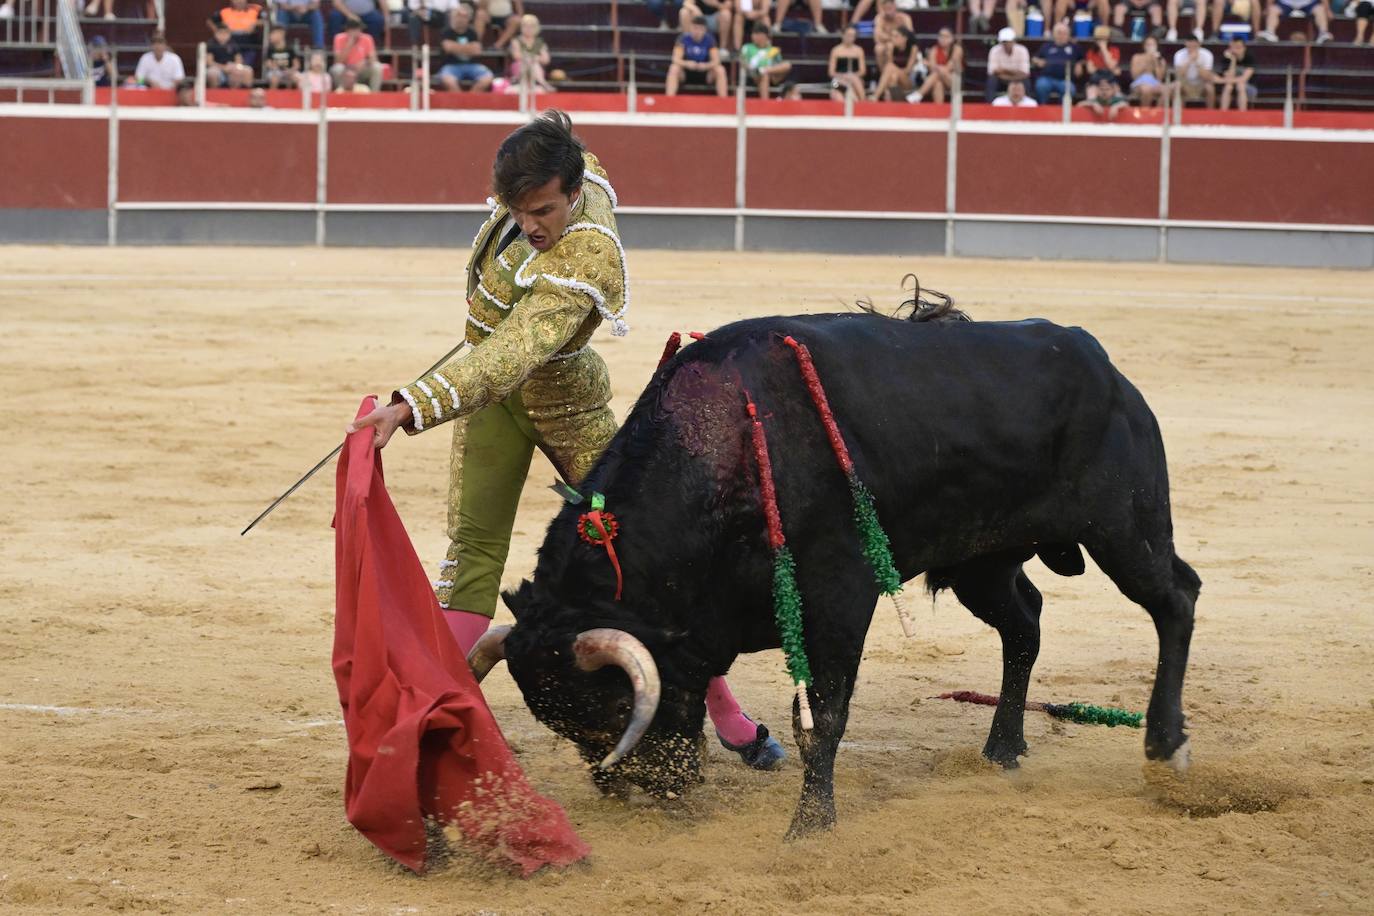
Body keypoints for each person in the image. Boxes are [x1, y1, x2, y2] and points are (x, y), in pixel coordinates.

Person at [346, 111, 787, 771]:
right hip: (493, 404)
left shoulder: (588, 251)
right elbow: (499, 347)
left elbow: (516, 353)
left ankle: (726, 715)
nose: (530, 224)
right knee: (472, 554)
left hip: (565, 402)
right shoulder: (564, 178)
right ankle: (431, 725)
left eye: (543, 210)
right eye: (518, 209)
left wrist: (414, 403)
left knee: (645, 562)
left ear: (574, 192)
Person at [665, 15, 729, 96]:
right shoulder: (683, 39)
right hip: (686, 72)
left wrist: (706, 66)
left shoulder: (710, 40)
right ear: (690, 28)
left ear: (705, 30)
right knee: (674, 68)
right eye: (695, 28)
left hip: (705, 72)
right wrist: (686, 63)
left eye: (700, 29)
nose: (697, 31)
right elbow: (675, 59)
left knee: (720, 70)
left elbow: (716, 61)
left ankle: (723, 101)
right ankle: (670, 99)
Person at [437, 4, 494, 91]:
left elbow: (477, 50)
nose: (461, 19)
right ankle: (459, 102)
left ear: (468, 19)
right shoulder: (446, 32)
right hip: (451, 65)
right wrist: (468, 48)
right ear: (452, 17)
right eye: (458, 16)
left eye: (464, 16)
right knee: (449, 81)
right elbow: (448, 48)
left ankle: (471, 101)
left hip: (472, 65)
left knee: (487, 78)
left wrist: (455, 47)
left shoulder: (472, 32)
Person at [739, 22, 796, 98]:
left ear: (764, 36)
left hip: (772, 76)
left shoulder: (773, 50)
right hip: (753, 75)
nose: (753, 36)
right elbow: (743, 61)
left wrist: (767, 70)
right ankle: (765, 102)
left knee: (787, 65)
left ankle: (763, 70)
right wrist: (750, 68)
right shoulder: (747, 47)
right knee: (764, 75)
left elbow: (779, 65)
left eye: (756, 34)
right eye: (753, 34)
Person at [908, 27, 962, 104]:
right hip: (938, 78)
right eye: (941, 36)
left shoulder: (957, 49)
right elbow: (932, 70)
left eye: (946, 36)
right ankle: (938, 110)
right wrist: (932, 65)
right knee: (937, 83)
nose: (943, 39)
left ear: (952, 38)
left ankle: (919, 94)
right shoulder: (934, 49)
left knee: (938, 73)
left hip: (954, 80)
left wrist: (930, 64)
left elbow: (947, 68)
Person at [331, 18, 384, 92]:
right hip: (346, 70)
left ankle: (374, 95)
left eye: (358, 30)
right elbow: (338, 61)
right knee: (337, 69)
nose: (357, 32)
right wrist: (349, 44)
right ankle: (342, 93)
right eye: (353, 30)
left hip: (361, 70)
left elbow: (374, 59)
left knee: (377, 67)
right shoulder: (339, 38)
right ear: (347, 30)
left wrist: (365, 62)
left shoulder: (367, 38)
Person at [1031, 21, 1077, 105]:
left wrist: (1079, 64)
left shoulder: (1073, 47)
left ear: (1068, 35)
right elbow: (1034, 58)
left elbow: (1082, 59)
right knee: (1041, 86)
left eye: (1064, 33)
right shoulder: (1046, 46)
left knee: (1070, 89)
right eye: (1059, 33)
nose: (1062, 36)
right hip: (1047, 78)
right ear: (1054, 34)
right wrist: (1038, 62)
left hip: (1065, 79)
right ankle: (1043, 109)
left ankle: (1062, 112)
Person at [508, 13, 553, 92]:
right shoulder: (516, 41)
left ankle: (540, 82)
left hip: (535, 70)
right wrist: (531, 58)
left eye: (531, 26)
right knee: (528, 61)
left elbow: (546, 59)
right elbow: (516, 56)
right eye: (525, 26)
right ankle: (543, 83)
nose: (528, 29)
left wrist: (532, 58)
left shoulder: (540, 42)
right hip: (520, 68)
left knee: (533, 63)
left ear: (536, 28)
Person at [871, 26, 919, 100]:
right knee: (893, 77)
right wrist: (889, 52)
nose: (892, 39)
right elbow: (885, 71)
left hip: (908, 81)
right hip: (894, 77)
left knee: (891, 68)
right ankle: (892, 105)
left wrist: (895, 70)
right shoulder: (892, 48)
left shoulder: (913, 48)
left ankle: (875, 96)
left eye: (896, 36)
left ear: (904, 38)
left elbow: (908, 70)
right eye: (892, 36)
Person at [985, 27, 1030, 103]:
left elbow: (1025, 73)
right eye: (1004, 41)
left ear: (1014, 41)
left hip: (1017, 78)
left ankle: (1027, 106)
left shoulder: (1022, 50)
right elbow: (992, 72)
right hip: (1001, 79)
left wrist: (1004, 70)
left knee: (1026, 82)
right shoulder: (994, 50)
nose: (1006, 44)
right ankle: (990, 106)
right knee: (991, 80)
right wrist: (1014, 73)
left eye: (1009, 41)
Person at [205, 21, 254, 88]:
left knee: (248, 70)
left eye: (225, 33)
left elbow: (239, 59)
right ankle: (216, 93)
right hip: (217, 68)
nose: (223, 35)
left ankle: (241, 93)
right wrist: (223, 67)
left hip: (231, 67)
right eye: (221, 33)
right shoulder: (211, 44)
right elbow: (209, 62)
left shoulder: (233, 43)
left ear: (229, 34)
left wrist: (234, 66)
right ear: (216, 33)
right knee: (212, 73)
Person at [1172, 33, 1216, 106]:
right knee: (1177, 85)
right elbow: (1179, 75)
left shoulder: (1207, 54)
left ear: (1199, 44)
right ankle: (1178, 113)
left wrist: (1196, 63)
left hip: (1201, 83)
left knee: (1210, 88)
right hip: (1185, 82)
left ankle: (1210, 113)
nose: (1192, 48)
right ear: (1186, 44)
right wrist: (1189, 60)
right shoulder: (1179, 54)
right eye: (1189, 46)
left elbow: (1207, 77)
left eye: (1194, 46)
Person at [1258, 0, 1332, 41]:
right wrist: (1267, 8)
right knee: (1273, 10)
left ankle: (1323, 33)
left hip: (1308, 2)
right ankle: (1270, 32)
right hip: (1286, 2)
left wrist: (1328, 10)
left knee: (1320, 9)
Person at [1215, 34, 1255, 109]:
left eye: (1238, 47)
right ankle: (1223, 113)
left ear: (1244, 48)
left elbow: (1244, 79)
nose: (1235, 50)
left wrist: (1223, 81)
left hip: (1248, 86)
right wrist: (1233, 60)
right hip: (1231, 84)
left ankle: (1243, 114)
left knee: (1240, 86)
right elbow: (1229, 76)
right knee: (1228, 87)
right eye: (1233, 47)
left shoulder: (1250, 57)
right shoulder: (1227, 58)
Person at [872, 0, 914, 73]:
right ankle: (884, 74)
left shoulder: (905, 18)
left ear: (895, 7)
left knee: (890, 45)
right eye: (886, 8)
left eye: (890, 7)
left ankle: (897, 73)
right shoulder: (879, 18)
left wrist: (895, 40)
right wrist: (894, 39)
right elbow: (877, 37)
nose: (888, 10)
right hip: (887, 44)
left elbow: (910, 36)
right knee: (879, 48)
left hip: (903, 45)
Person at [827, 25, 866, 101]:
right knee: (837, 94)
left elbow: (863, 71)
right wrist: (843, 76)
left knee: (855, 80)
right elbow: (831, 72)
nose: (850, 38)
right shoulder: (836, 50)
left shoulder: (859, 50)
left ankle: (862, 102)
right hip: (837, 80)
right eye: (848, 35)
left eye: (853, 36)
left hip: (854, 80)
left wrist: (851, 76)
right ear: (843, 35)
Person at [1129, 33, 1167, 106]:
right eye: (1148, 45)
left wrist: (1156, 62)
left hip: (1154, 83)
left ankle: (1157, 112)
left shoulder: (1161, 60)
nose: (1150, 47)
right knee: (1146, 89)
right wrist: (1147, 60)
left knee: (1166, 90)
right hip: (1140, 83)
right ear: (1144, 46)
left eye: (1153, 45)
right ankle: (1145, 113)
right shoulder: (1137, 57)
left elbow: (1160, 78)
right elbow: (1134, 76)